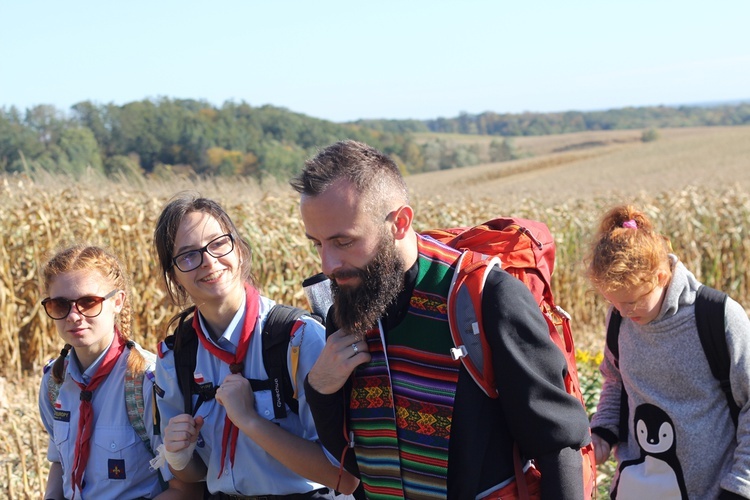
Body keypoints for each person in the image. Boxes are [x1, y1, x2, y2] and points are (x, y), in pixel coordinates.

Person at [289, 140, 592, 499]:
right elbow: (354, 463)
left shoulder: (486, 297)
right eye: (317, 244)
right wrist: (321, 387)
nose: (328, 264)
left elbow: (557, 445)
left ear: (399, 223)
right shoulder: (350, 302)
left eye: (343, 241)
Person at [151, 193, 359, 499]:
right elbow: (195, 476)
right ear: (174, 276)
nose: (209, 261)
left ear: (239, 248)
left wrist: (250, 421)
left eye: (218, 243)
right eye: (188, 255)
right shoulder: (176, 358)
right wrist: (178, 456)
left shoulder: (299, 340)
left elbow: (344, 478)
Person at [586, 204, 750, 498]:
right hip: (638, 490)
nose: (624, 312)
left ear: (661, 276)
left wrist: (740, 486)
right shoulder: (619, 319)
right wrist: (602, 432)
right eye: (614, 302)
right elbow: (615, 380)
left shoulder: (717, 317)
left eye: (633, 302)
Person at [38, 244, 201, 500]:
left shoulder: (149, 382)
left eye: (88, 302)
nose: (73, 316)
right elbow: (60, 463)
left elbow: (185, 489)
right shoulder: (54, 381)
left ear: (118, 301)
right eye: (60, 305)